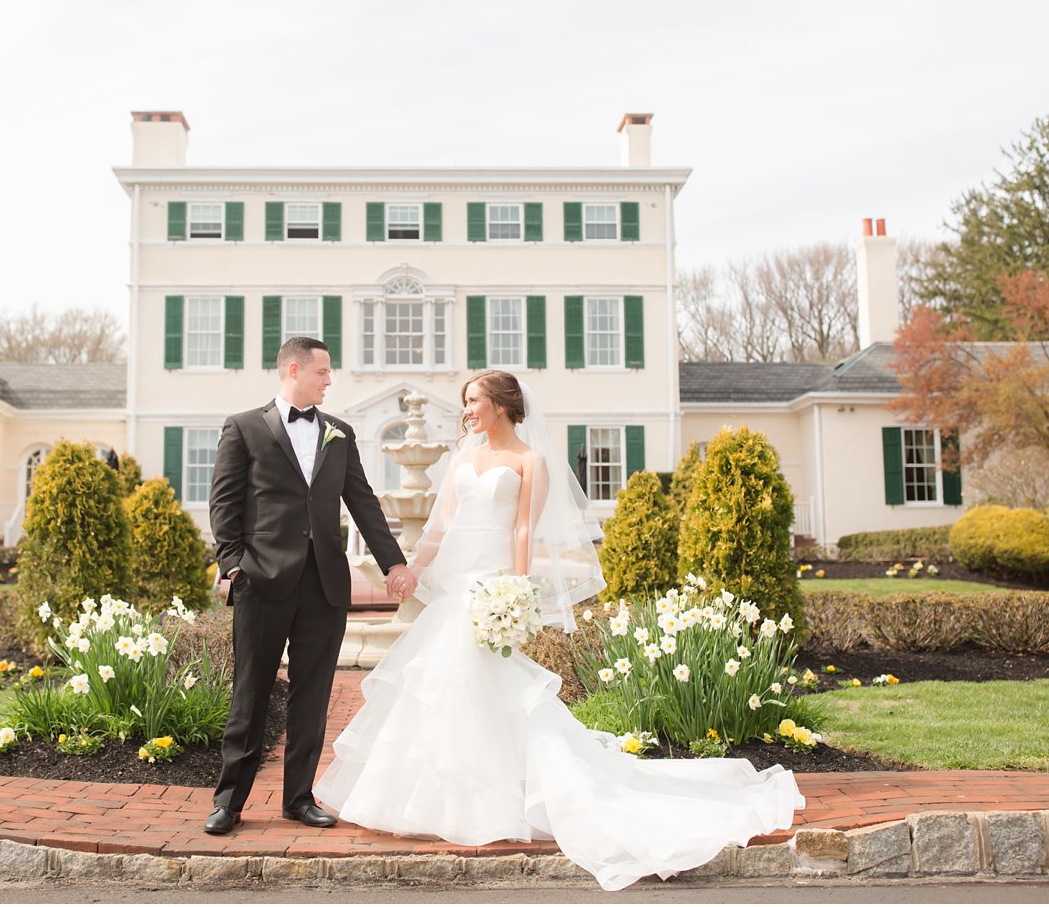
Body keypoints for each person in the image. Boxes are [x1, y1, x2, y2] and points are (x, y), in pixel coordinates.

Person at [315, 370, 805, 890]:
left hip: (492, 581)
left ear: (501, 406)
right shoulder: (462, 458)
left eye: (473, 400)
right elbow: (438, 526)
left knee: (481, 684)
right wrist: (412, 568)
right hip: (455, 582)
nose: (467, 410)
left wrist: (517, 591)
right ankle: (428, 800)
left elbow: (524, 527)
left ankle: (495, 801)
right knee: (438, 684)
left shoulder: (531, 460)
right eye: (465, 402)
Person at [205, 337, 414, 836]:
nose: (329, 380)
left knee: (313, 695)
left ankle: (299, 798)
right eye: (322, 372)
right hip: (262, 581)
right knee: (250, 692)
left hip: (324, 585)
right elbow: (224, 505)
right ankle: (229, 802)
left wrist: (394, 564)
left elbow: (363, 502)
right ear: (294, 369)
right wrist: (234, 566)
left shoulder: (339, 433)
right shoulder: (244, 427)